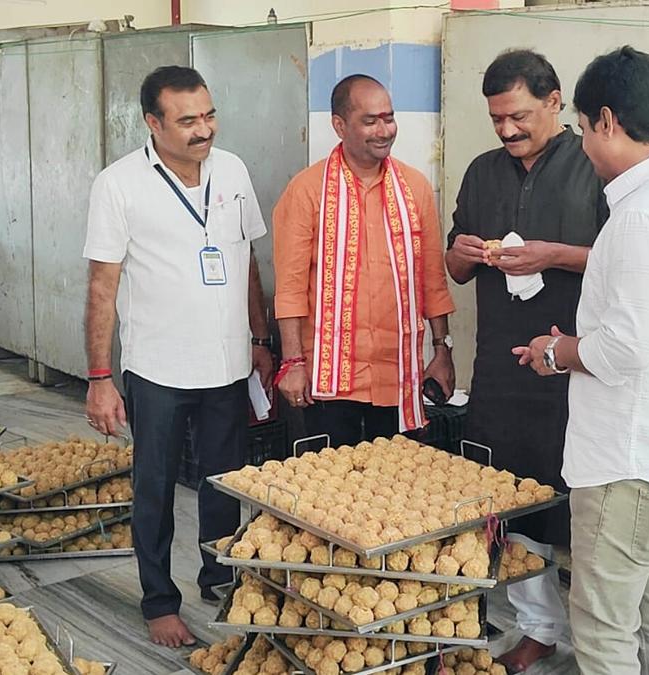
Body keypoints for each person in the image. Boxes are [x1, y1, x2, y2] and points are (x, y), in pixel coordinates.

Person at [514, 46, 649, 675]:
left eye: (583, 128)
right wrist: (582, 344)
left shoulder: (645, 214)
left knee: (604, 627)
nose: (583, 144)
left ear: (607, 120)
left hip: (633, 463)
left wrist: (558, 352)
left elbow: (627, 348)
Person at [82, 65, 274, 648]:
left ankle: (219, 575)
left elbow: (245, 264)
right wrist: (99, 376)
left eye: (209, 115)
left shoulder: (233, 170)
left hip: (227, 364)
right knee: (156, 486)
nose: (203, 129)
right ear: (153, 123)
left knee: (225, 482)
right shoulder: (118, 185)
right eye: (188, 120)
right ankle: (159, 601)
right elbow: (101, 288)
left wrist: (261, 341)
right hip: (158, 367)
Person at [445, 48, 606, 673]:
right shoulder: (484, 173)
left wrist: (553, 255)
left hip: (579, 366)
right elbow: (455, 269)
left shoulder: (593, 166)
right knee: (508, 498)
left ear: (554, 102)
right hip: (501, 369)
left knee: (581, 505)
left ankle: (600, 637)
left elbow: (619, 262)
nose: (508, 131)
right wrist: (463, 252)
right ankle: (538, 625)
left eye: (519, 116)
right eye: (496, 120)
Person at [273, 75, 455, 446]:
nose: (384, 130)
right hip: (329, 376)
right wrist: (292, 363)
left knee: (394, 483)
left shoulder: (414, 187)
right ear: (339, 125)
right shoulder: (307, 190)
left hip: (397, 372)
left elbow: (432, 280)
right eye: (370, 120)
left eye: (388, 118)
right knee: (332, 490)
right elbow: (290, 286)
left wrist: (442, 350)